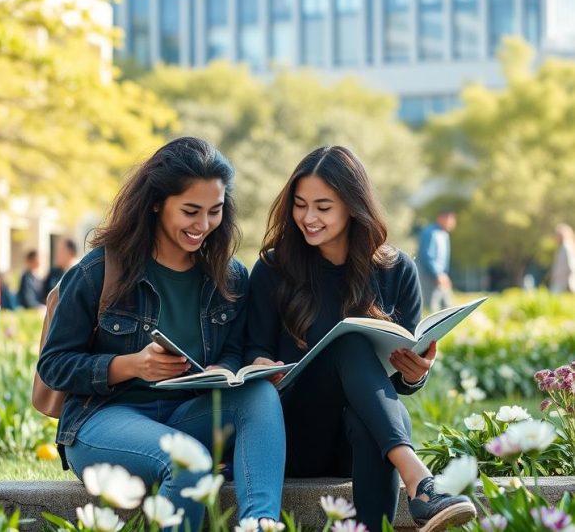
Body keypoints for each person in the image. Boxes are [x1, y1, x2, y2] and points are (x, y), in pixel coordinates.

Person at [38, 137, 285, 530]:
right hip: (103, 420)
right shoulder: (98, 271)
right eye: (190, 211)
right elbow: (54, 366)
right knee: (190, 463)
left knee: (259, 394)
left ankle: (261, 524)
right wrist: (131, 365)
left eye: (214, 212)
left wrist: (227, 369)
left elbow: (234, 350)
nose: (203, 225)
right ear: (157, 202)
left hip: (186, 413)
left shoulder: (229, 276)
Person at [246, 146, 475, 532]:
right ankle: (420, 481)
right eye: (300, 205)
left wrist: (417, 371)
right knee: (348, 341)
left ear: (353, 206)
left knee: (379, 410)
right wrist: (259, 365)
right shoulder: (274, 268)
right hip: (296, 430)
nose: (308, 217)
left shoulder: (396, 269)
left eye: (323, 206)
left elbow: (399, 382)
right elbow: (254, 347)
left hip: (363, 436)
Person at [416, 209, 456, 313]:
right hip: (430, 276)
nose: (452, 222)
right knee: (432, 308)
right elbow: (427, 255)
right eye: (450, 219)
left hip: (442, 276)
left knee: (447, 307)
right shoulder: (430, 232)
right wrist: (438, 274)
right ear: (441, 218)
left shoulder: (444, 234)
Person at [550, 223, 575, 293]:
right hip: (560, 281)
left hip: (562, 283)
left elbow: (571, 266)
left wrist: (569, 281)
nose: (555, 237)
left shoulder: (566, 247)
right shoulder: (563, 247)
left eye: (557, 235)